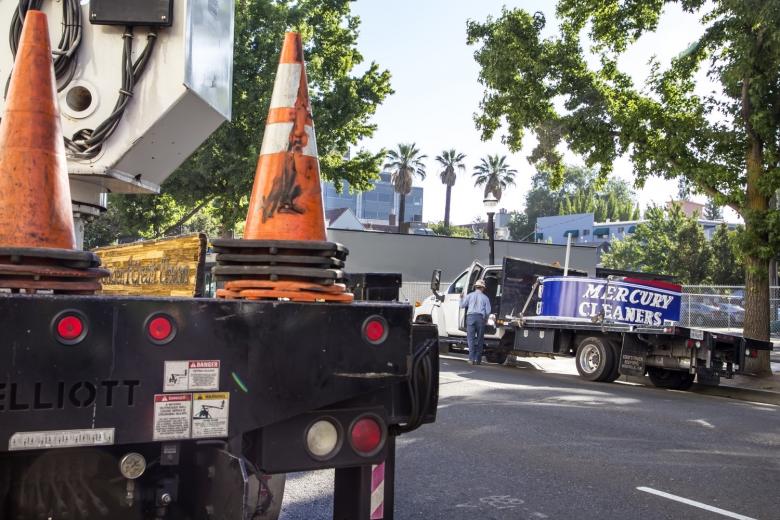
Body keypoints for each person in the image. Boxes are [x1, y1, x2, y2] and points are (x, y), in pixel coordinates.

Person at [460, 279, 491, 365]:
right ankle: (478, 360)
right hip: (480, 318)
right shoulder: (485, 298)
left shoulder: (469, 296)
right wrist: (486, 319)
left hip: (470, 317)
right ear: (483, 288)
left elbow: (462, 306)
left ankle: (471, 359)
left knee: (471, 340)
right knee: (480, 339)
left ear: (475, 287)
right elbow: (488, 311)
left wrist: (461, 298)